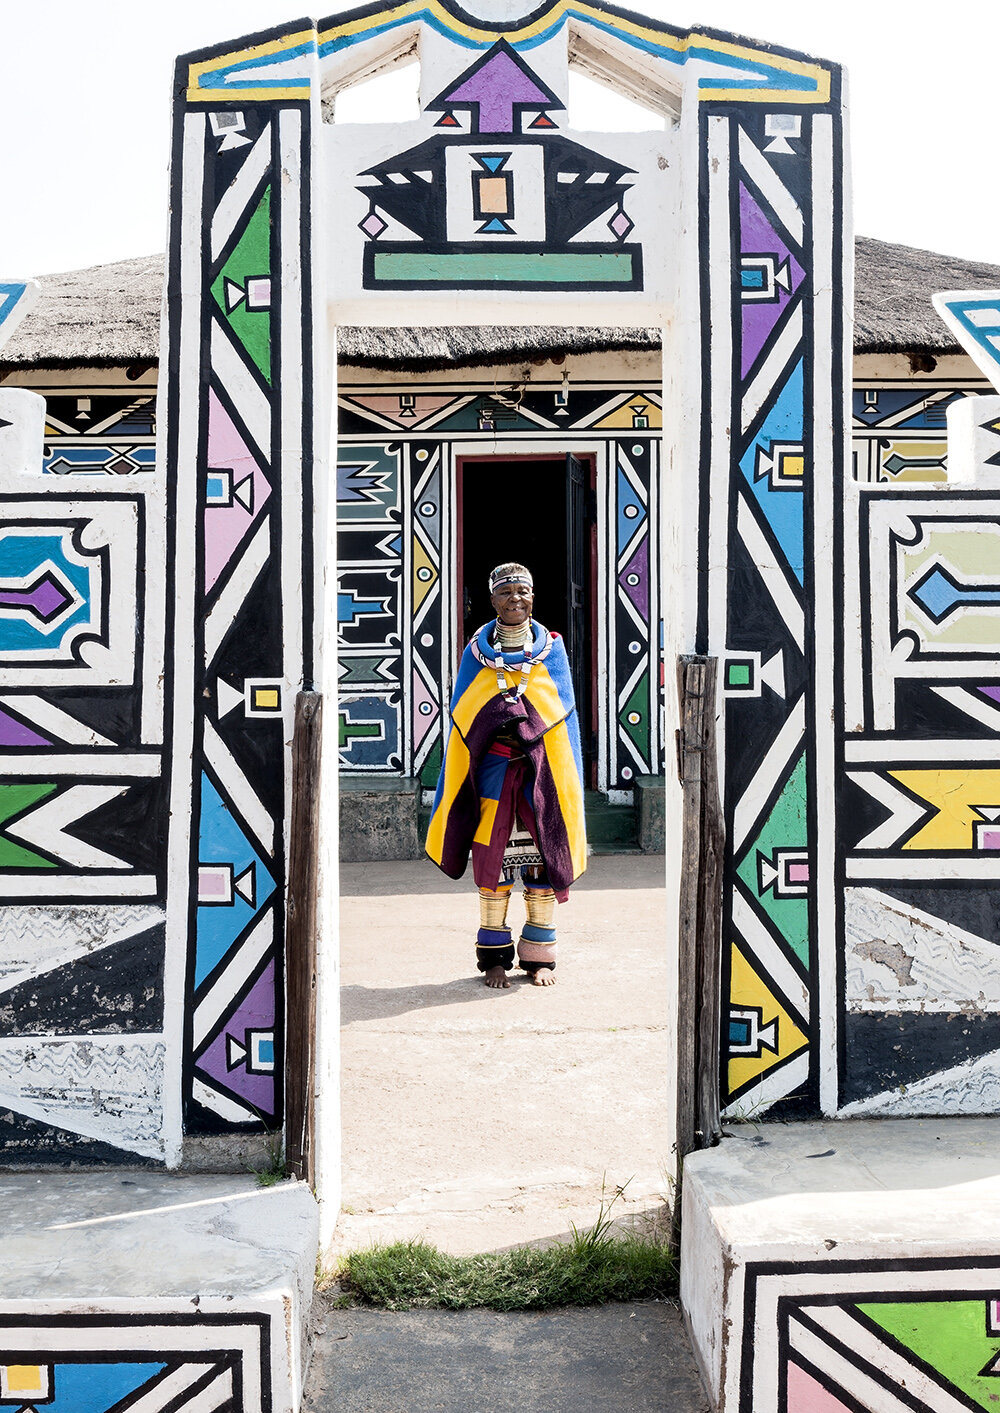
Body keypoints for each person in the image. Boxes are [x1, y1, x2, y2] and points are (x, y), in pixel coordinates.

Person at [425, 562, 587, 988]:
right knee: (493, 869)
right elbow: (465, 713)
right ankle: (493, 958)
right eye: (507, 592)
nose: (516, 599)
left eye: (524, 592)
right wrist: (498, 721)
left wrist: (528, 726)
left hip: (542, 776)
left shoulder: (551, 651)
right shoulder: (475, 653)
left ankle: (539, 959)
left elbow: (559, 711)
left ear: (533, 597)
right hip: (494, 776)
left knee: (542, 865)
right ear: (492, 600)